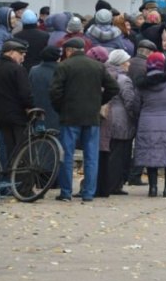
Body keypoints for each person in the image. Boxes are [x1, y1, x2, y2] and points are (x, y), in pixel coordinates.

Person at [50, 38, 120, 203]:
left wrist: (61, 108)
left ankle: (66, 192)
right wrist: (100, 101)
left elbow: (54, 92)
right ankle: (88, 193)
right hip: (91, 116)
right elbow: (114, 88)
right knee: (91, 156)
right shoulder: (97, 66)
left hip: (70, 116)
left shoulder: (64, 66)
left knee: (67, 155)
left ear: (68, 51)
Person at [133, 52, 166, 198]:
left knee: (151, 155)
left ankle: (153, 188)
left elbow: (136, 106)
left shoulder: (142, 85)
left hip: (147, 123)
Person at [0, 40, 35, 173]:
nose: (23, 57)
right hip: (17, 117)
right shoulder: (17, 69)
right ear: (11, 53)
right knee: (21, 152)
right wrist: (30, 107)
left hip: (0, 117)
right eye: (21, 54)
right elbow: (25, 94)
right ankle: (21, 185)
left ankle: (4, 182)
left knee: (5, 151)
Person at [103, 49, 136, 197]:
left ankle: (107, 183)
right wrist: (134, 117)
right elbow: (130, 102)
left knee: (109, 153)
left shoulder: (105, 75)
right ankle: (115, 185)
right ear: (122, 64)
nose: (129, 64)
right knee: (118, 155)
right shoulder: (124, 80)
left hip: (106, 117)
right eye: (127, 61)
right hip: (121, 120)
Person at [28, 46, 62, 132]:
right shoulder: (62, 70)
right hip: (57, 112)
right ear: (58, 58)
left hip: (38, 111)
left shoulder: (34, 70)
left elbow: (29, 89)